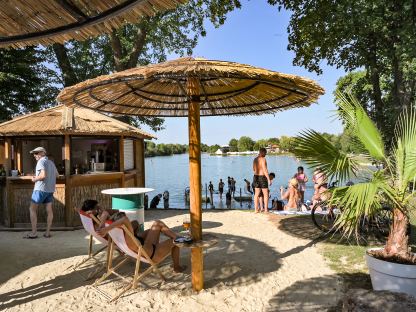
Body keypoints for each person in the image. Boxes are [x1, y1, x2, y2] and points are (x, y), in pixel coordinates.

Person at [84, 200, 186, 273]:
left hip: (146, 248)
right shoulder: (126, 233)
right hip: (152, 255)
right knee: (176, 242)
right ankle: (177, 267)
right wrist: (106, 228)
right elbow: (124, 219)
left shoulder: (119, 233)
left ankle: (178, 237)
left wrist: (107, 226)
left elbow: (114, 216)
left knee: (157, 223)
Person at [24, 147, 58, 239]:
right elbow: (57, 175)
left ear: (43, 153)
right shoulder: (51, 162)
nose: (34, 155)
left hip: (40, 189)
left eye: (36, 153)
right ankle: (47, 233)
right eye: (34, 153)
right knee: (49, 210)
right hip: (50, 190)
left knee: (32, 209)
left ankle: (34, 233)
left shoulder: (41, 162)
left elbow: (43, 175)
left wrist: (34, 179)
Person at [253, 147, 272, 213]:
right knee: (265, 194)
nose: (266, 154)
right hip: (262, 177)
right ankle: (266, 210)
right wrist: (268, 179)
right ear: (262, 152)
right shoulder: (263, 159)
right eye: (265, 153)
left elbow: (253, 169)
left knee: (256, 194)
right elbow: (265, 170)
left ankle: (256, 209)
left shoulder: (255, 159)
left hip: (255, 177)